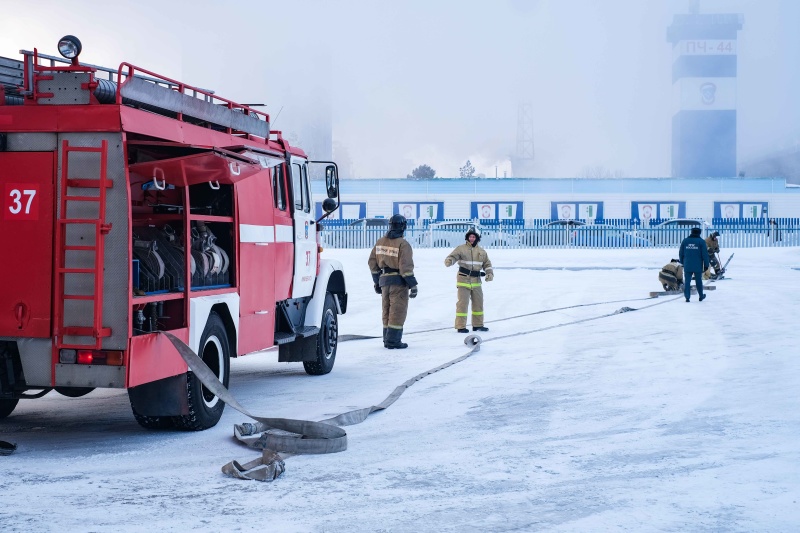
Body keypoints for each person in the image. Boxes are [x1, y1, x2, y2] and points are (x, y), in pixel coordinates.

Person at [368, 214, 418, 349]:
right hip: (398, 282)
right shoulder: (403, 244)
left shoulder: (380, 242)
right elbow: (405, 267)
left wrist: (377, 281)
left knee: (386, 310)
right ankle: (393, 341)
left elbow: (372, 263)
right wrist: (413, 284)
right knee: (397, 310)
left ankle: (387, 339)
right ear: (403, 227)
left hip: (384, 281)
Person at [444, 227, 494, 333]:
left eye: (474, 236)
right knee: (462, 303)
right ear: (467, 237)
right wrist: (450, 261)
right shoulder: (461, 248)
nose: (472, 238)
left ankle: (478, 325)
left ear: (477, 238)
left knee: (478, 303)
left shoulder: (482, 252)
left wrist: (489, 273)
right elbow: (453, 256)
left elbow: (487, 264)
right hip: (463, 280)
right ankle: (460, 326)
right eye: (470, 236)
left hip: (476, 281)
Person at [679, 227, 710, 302]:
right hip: (698, 265)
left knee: (687, 281)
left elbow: (681, 253)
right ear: (699, 233)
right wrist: (706, 265)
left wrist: (682, 262)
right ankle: (701, 296)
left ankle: (687, 297)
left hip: (687, 264)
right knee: (698, 280)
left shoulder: (685, 241)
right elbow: (705, 255)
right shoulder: (701, 242)